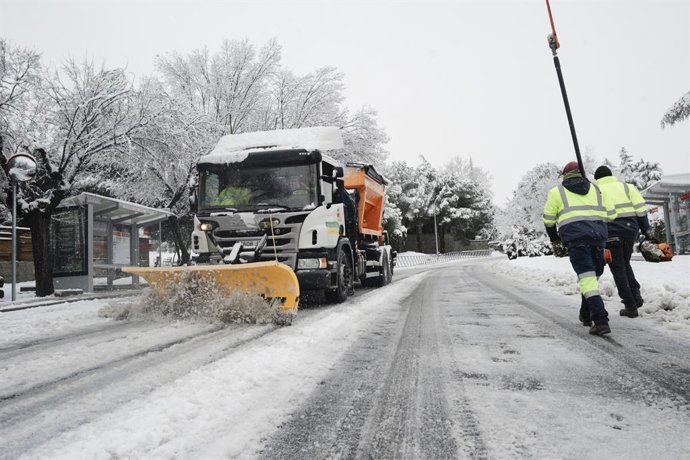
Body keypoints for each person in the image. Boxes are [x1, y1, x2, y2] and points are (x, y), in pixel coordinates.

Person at [543, 161, 617, 336]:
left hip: (576, 240)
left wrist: (555, 240)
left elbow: (548, 220)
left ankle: (600, 320)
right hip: (598, 238)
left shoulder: (557, 192)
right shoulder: (597, 190)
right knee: (591, 276)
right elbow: (612, 215)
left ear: (565, 175)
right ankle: (586, 314)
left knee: (587, 279)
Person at [594, 165, 651, 318]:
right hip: (629, 229)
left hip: (609, 230)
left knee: (618, 267)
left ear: (597, 178)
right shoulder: (627, 187)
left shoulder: (595, 190)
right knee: (625, 262)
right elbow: (641, 210)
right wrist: (646, 230)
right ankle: (635, 294)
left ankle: (630, 305)